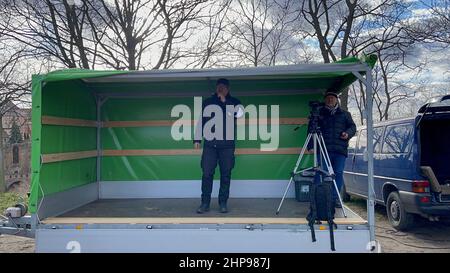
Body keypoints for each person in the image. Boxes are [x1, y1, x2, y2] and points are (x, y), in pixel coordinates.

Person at [194, 78, 242, 214]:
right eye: (218, 87)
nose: (220, 90)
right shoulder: (208, 102)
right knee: (207, 173)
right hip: (210, 145)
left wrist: (224, 101)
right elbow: (201, 121)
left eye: (223, 87)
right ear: (216, 88)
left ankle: (223, 203)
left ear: (228, 89)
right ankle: (204, 203)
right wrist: (197, 138)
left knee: (226, 174)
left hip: (227, 146)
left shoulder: (235, 102)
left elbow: (239, 114)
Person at [310, 91, 356, 208]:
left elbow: (353, 127)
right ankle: (320, 198)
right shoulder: (320, 114)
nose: (330, 100)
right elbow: (311, 129)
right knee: (321, 173)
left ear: (336, 100)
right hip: (323, 150)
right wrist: (311, 146)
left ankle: (335, 199)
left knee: (338, 173)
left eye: (332, 98)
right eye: (328, 98)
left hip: (340, 150)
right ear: (325, 100)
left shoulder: (345, 114)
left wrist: (347, 134)